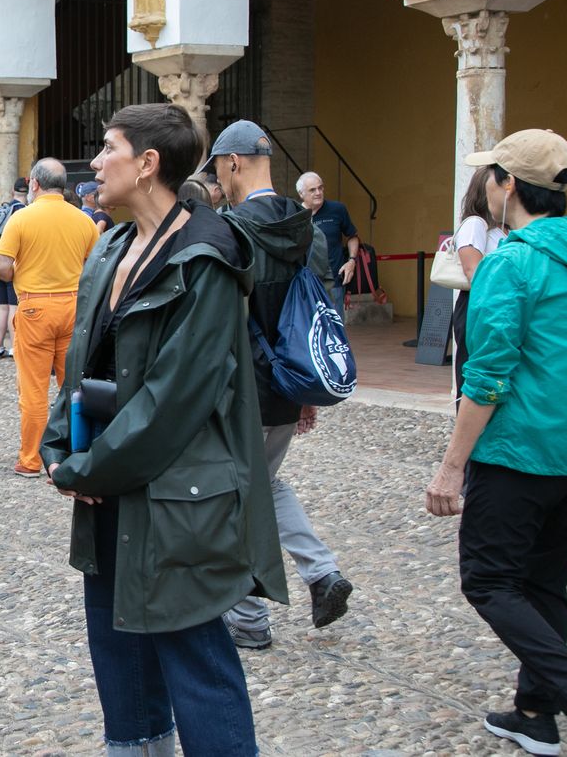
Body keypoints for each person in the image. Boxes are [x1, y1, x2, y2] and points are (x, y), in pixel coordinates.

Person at [42, 103, 284, 756]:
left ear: (148, 164)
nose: (93, 163)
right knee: (118, 647)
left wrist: (85, 470)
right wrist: (60, 443)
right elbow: (81, 363)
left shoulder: (204, 257)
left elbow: (174, 399)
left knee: (193, 653)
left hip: (180, 495)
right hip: (112, 484)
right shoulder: (113, 245)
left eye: (107, 148)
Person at [425, 129, 567, 757]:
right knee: (547, 582)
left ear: (508, 185)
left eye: (491, 176)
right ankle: (535, 712)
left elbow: (488, 376)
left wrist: (450, 468)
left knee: (490, 581)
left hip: (519, 451)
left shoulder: (510, 263)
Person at [212, 119, 354, 650]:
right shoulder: (307, 230)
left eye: (220, 171)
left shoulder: (228, 229)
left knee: (233, 497)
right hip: (287, 385)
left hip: (240, 389)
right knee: (264, 486)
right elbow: (316, 315)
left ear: (232, 164)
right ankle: (321, 575)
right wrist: (302, 392)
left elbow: (221, 323)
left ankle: (248, 617)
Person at [0, 158, 98, 479]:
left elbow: (0, 266)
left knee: (34, 388)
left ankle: (31, 459)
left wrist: (19, 272)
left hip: (35, 307)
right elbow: (95, 264)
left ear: (34, 184)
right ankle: (74, 451)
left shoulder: (22, 218)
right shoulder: (84, 221)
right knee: (73, 385)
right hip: (73, 308)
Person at [450, 167, 506, 401]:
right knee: (473, 369)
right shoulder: (475, 224)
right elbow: (474, 272)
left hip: (493, 303)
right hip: (478, 304)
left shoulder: (502, 227)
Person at [297, 171, 361, 314]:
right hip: (303, 283)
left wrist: (351, 261)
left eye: (321, 188)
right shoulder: (294, 214)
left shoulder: (337, 209)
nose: (318, 193)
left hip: (333, 282)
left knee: (334, 330)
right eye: (312, 190)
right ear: (301, 194)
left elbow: (353, 236)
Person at [0, 177, 28, 358]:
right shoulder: (24, 212)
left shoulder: (5, 208)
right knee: (14, 307)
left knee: (2, 306)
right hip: (13, 265)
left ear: (13, 191)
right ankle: (13, 346)